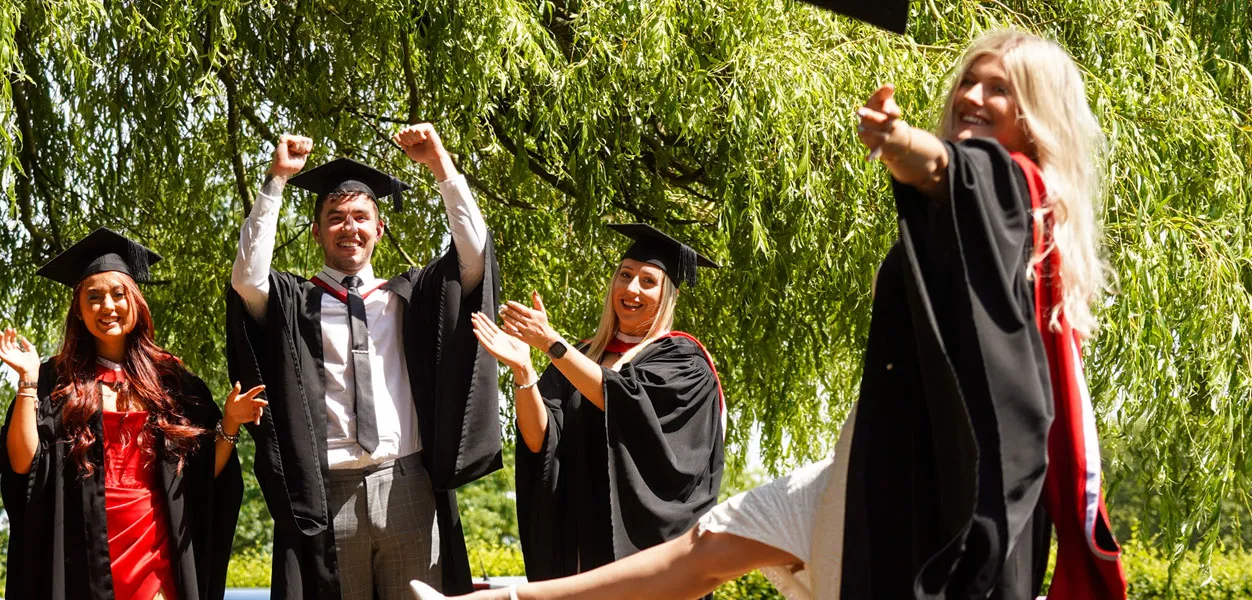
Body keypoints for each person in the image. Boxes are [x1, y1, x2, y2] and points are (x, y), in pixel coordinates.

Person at [424, 28, 1125, 600]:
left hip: (930, 480)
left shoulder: (1015, 192)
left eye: (996, 88)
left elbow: (949, 168)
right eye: (967, 81)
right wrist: (525, 372)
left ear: (1035, 113)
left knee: (705, 553)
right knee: (704, 551)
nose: (971, 95)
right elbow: (551, 445)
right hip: (863, 453)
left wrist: (897, 143)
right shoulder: (969, 221)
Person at [226, 123, 503, 600]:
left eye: (359, 216)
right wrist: (276, 180)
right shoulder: (295, 301)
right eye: (335, 217)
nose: (348, 227)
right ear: (315, 231)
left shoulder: (410, 295)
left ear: (379, 227)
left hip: (407, 485)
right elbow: (248, 280)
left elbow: (474, 257)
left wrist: (441, 166)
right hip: (328, 494)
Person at [0, 227, 256, 600]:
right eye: (94, 297)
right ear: (80, 311)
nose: (108, 306)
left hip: (154, 547)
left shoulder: (172, 382)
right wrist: (26, 382)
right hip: (82, 551)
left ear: (136, 301)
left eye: (118, 294)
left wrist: (229, 422)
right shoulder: (56, 379)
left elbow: (199, 478)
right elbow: (23, 465)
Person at [470, 224, 726, 582]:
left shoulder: (683, 362)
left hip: (639, 551)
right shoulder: (585, 355)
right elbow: (538, 441)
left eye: (648, 281)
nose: (631, 289)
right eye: (625, 275)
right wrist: (524, 370)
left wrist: (554, 346)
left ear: (667, 294)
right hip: (577, 542)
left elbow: (625, 402)